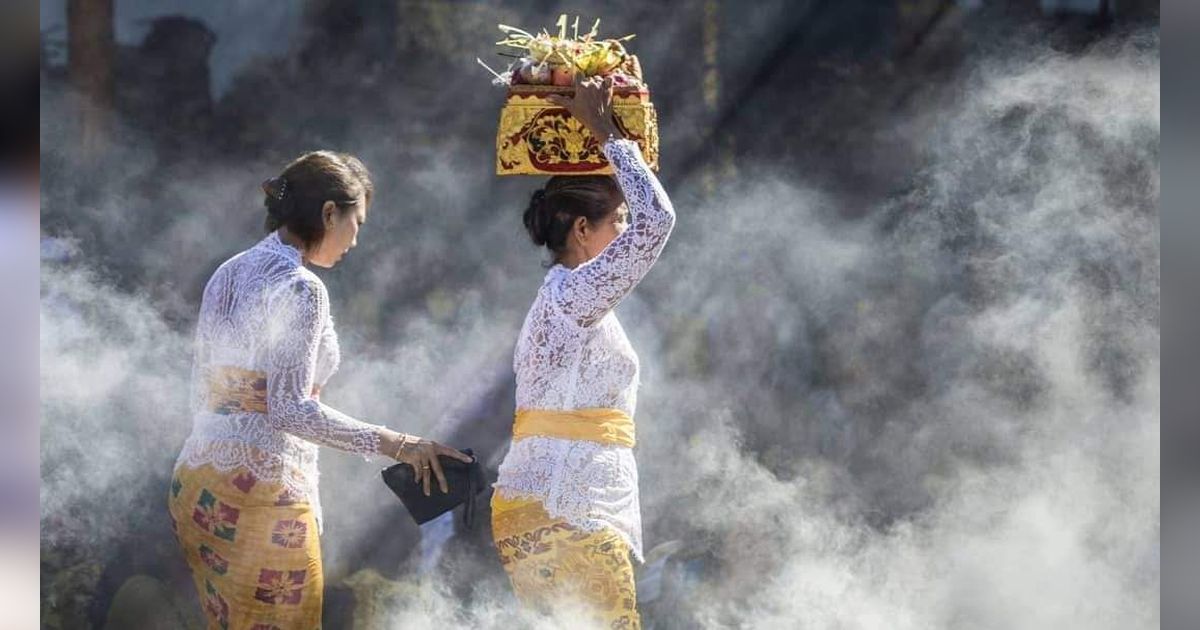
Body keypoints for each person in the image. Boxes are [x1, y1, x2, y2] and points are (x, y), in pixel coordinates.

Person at [167, 150, 470, 629]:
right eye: (358, 223)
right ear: (330, 213)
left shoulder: (228, 271)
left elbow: (200, 391)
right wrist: (400, 444)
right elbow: (289, 411)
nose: (356, 239)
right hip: (260, 490)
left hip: (199, 483)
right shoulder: (300, 287)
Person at [491, 75, 676, 628]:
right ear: (581, 229)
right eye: (617, 221)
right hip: (565, 504)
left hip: (544, 503)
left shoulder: (567, 297)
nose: (625, 231)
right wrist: (605, 132)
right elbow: (658, 223)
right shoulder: (572, 292)